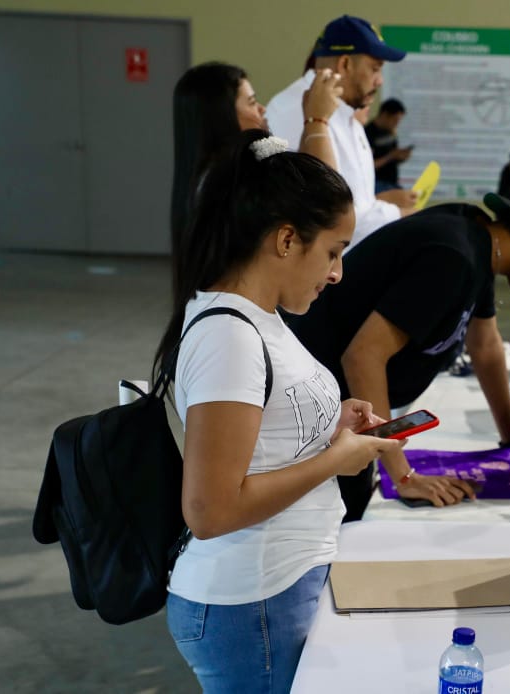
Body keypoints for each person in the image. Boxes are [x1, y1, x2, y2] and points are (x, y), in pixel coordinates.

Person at [156, 130, 402, 693]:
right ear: (287, 239)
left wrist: (330, 427)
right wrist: (334, 461)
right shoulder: (229, 335)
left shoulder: (257, 318)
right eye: (333, 252)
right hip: (252, 602)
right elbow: (210, 510)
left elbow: (262, 438)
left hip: (273, 591)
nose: (337, 273)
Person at [289, 184, 510, 520]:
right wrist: (404, 476)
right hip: (318, 418)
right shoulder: (455, 257)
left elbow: (486, 345)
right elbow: (363, 357)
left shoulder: (478, 240)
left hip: (340, 411)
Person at [171, 61, 343, 296]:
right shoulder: (235, 180)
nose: (262, 109)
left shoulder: (207, 176)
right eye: (251, 102)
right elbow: (328, 204)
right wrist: (317, 120)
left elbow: (304, 181)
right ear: (221, 116)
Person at [266, 15, 416, 250]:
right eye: (375, 69)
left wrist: (389, 207)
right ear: (345, 64)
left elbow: (358, 204)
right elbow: (325, 210)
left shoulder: (346, 115)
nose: (379, 81)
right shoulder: (293, 111)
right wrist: (399, 215)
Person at [366, 98, 412, 193]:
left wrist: (400, 157)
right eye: (395, 120)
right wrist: (391, 156)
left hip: (392, 182)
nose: (397, 124)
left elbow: (392, 157)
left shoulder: (390, 132)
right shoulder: (368, 132)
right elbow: (368, 165)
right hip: (377, 184)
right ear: (385, 114)